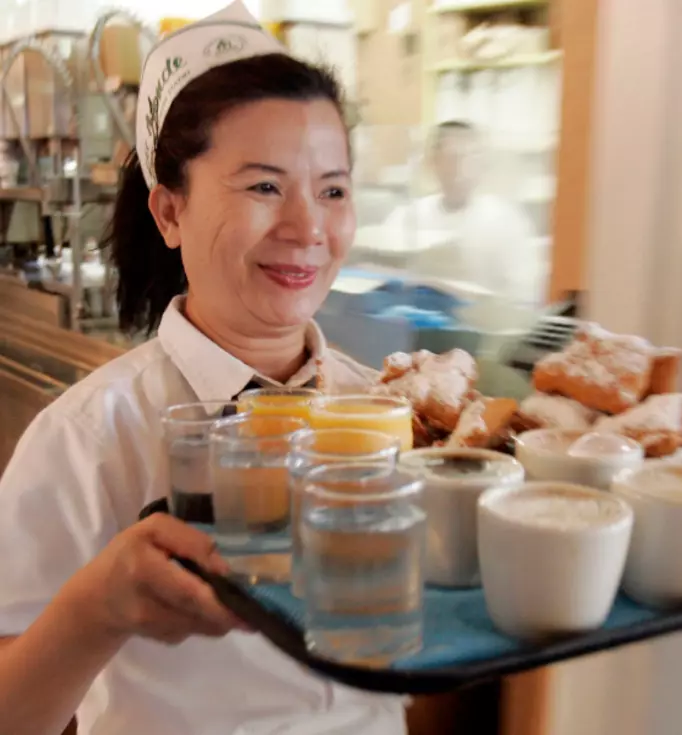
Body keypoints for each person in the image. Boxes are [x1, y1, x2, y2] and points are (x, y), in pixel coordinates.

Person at [0, 3, 404, 734]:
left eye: (333, 189)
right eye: (263, 186)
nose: (309, 228)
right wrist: (98, 607)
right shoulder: (91, 437)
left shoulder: (379, 408)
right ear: (169, 212)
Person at [380, 121, 541, 303]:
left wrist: (465, 296)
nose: (460, 169)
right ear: (433, 162)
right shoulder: (409, 216)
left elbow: (525, 293)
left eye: (470, 158)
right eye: (451, 158)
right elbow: (382, 274)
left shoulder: (506, 220)